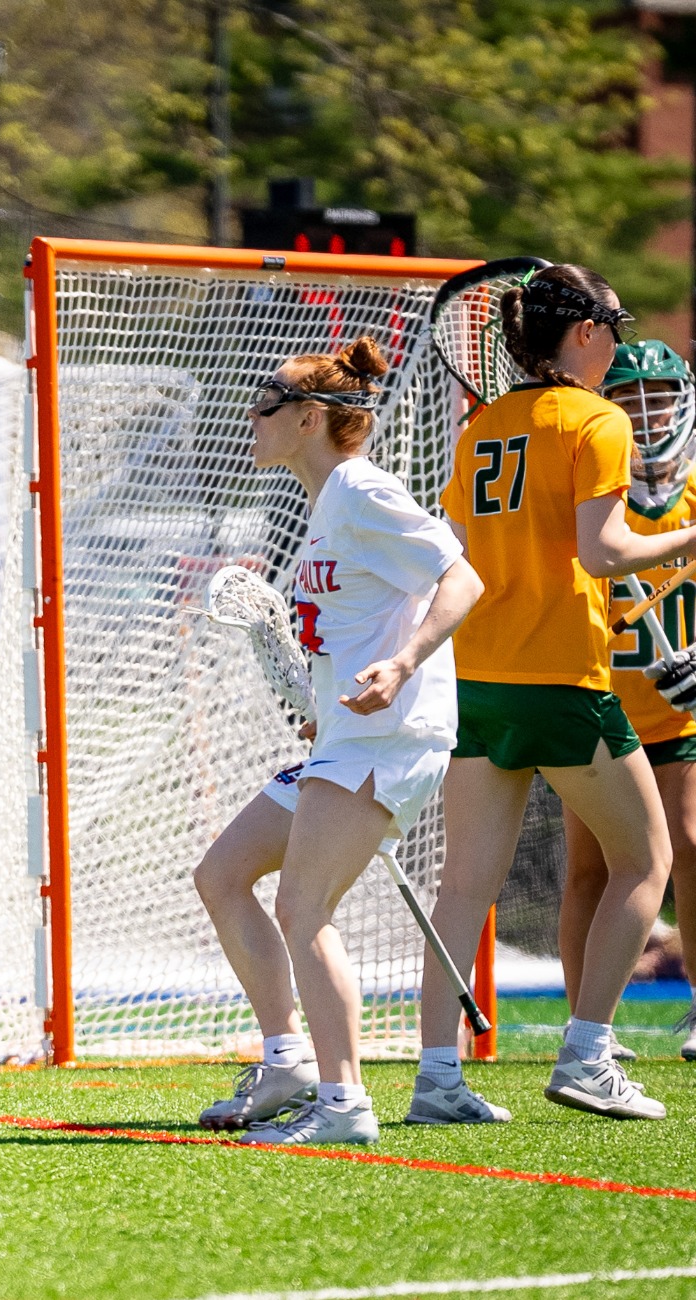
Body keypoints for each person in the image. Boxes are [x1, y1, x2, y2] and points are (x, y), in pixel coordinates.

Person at [423, 263, 696, 1124]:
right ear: (583, 332)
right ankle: (587, 1053)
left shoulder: (484, 425)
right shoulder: (597, 417)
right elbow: (605, 551)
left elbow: (458, 557)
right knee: (648, 862)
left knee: (464, 887)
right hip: (562, 679)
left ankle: (436, 1080)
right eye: (613, 323)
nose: (616, 340)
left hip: (484, 678)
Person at [190, 338, 481, 1145]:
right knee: (222, 874)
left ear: (311, 417)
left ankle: (345, 1105)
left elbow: (462, 577)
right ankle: (288, 1060)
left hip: (391, 735)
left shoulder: (360, 488)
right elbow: (362, 620)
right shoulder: (326, 506)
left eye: (267, 405)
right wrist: (332, 699)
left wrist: (403, 663)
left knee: (303, 905)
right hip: (348, 733)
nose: (252, 418)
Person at [560, 340, 696, 1064]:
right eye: (631, 395)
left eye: (661, 394)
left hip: (682, 710)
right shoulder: (593, 489)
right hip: (603, 705)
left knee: (692, 845)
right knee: (592, 867)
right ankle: (589, 1026)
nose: (648, 409)